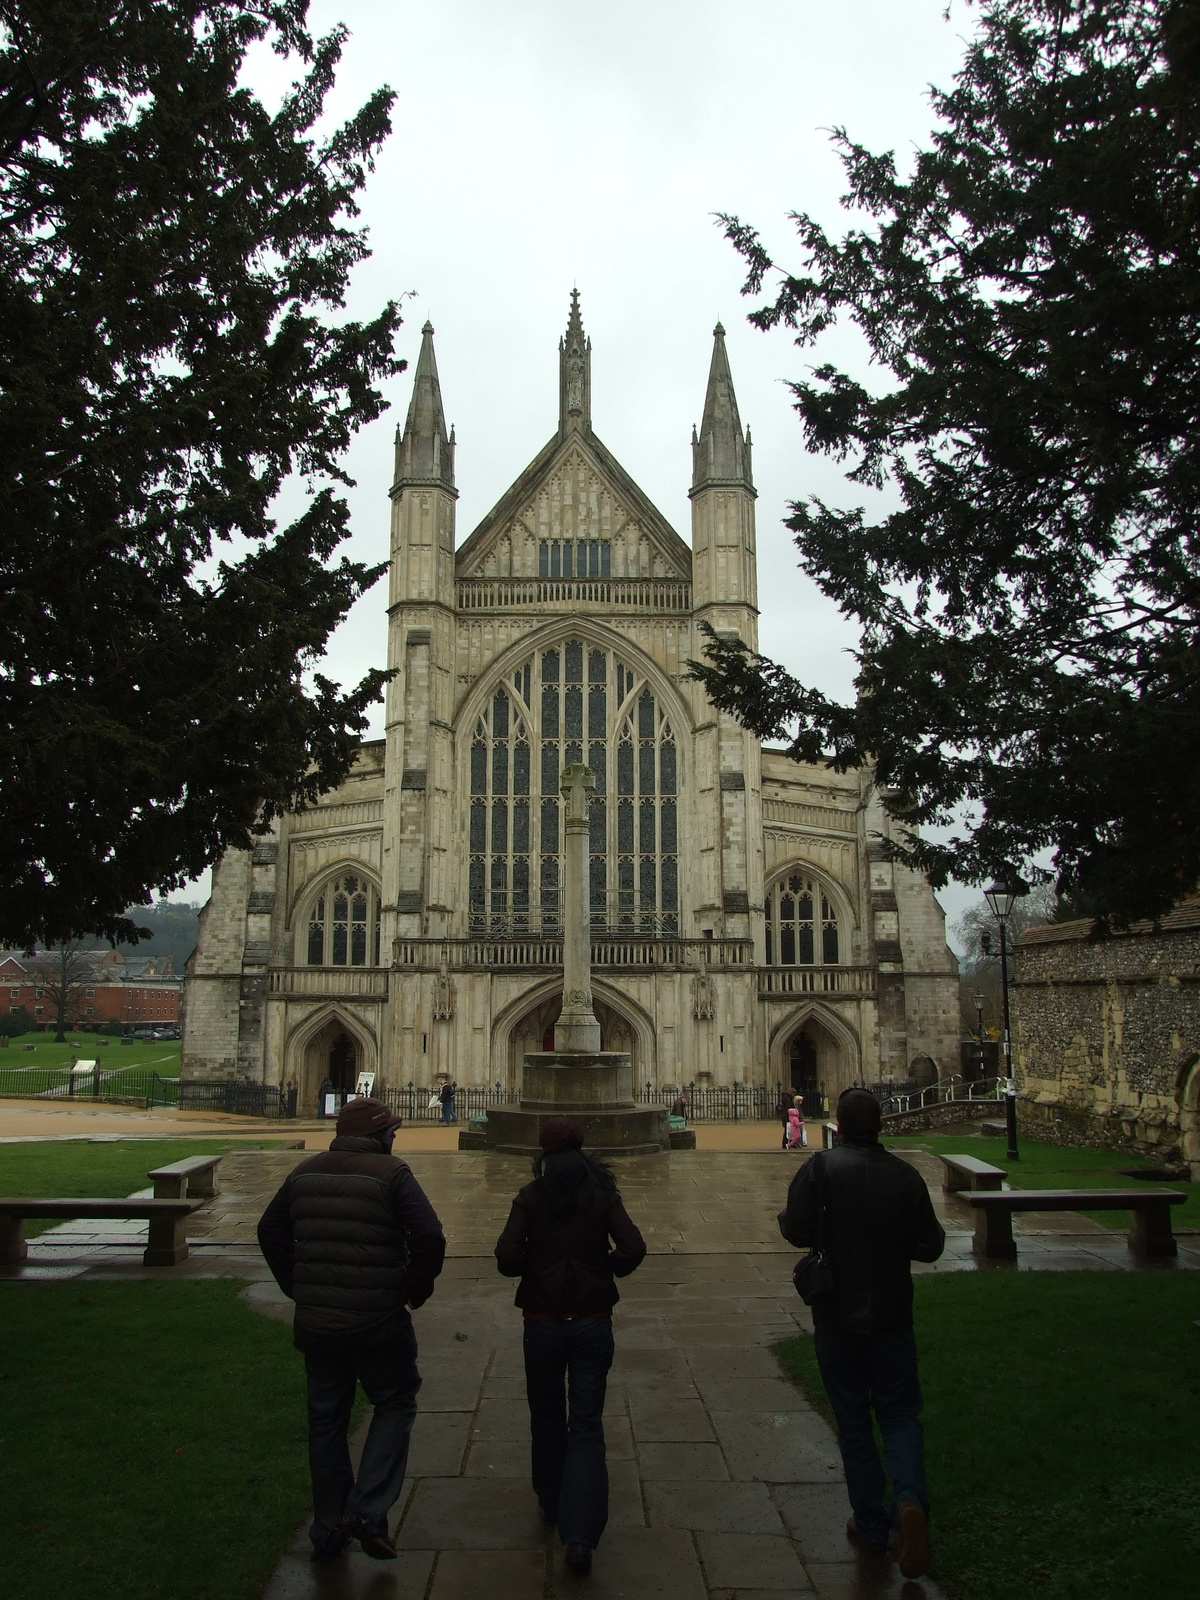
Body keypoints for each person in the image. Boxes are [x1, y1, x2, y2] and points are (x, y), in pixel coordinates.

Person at [257, 1096, 446, 1563]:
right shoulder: (392, 1174)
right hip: (378, 1320)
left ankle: (328, 1528)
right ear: (379, 1136)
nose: (396, 1137)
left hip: (319, 1322)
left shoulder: (305, 1172)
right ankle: (366, 1511)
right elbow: (431, 1236)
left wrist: (299, 1287)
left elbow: (269, 1232)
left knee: (325, 1420)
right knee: (395, 1401)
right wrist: (411, 1289)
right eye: (392, 1131)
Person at [778, 1087, 945, 1580]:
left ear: (839, 1126)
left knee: (853, 1419)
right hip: (892, 1314)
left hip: (837, 1315)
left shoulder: (820, 1169)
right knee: (899, 1413)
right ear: (882, 1126)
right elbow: (931, 1245)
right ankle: (910, 1500)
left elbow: (796, 1230)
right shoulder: (905, 1175)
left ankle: (872, 1524)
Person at [494, 1116, 646, 1575]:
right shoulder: (602, 1194)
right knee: (586, 1424)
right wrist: (607, 1269)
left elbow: (505, 1257)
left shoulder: (531, 1196)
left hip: (541, 1320)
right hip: (592, 1320)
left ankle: (551, 1500)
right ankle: (580, 1536)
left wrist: (530, 1268)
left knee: (546, 1416)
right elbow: (634, 1248)